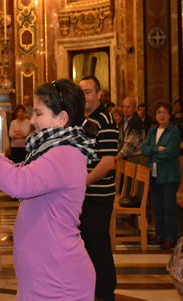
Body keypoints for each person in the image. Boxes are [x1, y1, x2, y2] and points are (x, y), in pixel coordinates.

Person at [0, 79, 96, 300]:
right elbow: (19, 170)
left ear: (62, 118)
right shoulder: (57, 150)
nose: (32, 120)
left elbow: (19, 184)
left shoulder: (65, 153)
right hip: (45, 278)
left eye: (39, 113)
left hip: (58, 282)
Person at [79, 76, 118, 301]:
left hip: (99, 194)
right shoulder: (83, 120)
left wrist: (81, 182)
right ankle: (91, 290)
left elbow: (107, 162)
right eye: (81, 92)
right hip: (85, 195)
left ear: (98, 94)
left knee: (98, 244)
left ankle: (105, 292)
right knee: (87, 245)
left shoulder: (104, 119)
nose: (84, 96)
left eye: (88, 92)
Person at [142, 100, 181, 250]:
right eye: (159, 112)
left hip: (169, 176)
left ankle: (170, 237)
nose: (161, 115)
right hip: (155, 174)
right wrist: (157, 148)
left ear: (169, 115)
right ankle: (160, 235)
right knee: (157, 207)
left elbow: (170, 152)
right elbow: (144, 149)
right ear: (155, 115)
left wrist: (153, 153)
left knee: (168, 207)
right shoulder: (152, 131)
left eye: (164, 112)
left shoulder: (174, 132)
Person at [118, 96, 146, 165]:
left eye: (128, 107)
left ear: (134, 108)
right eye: (124, 107)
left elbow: (130, 145)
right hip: (126, 158)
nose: (126, 110)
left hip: (137, 159)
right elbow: (119, 140)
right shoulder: (123, 121)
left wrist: (117, 156)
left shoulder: (136, 122)